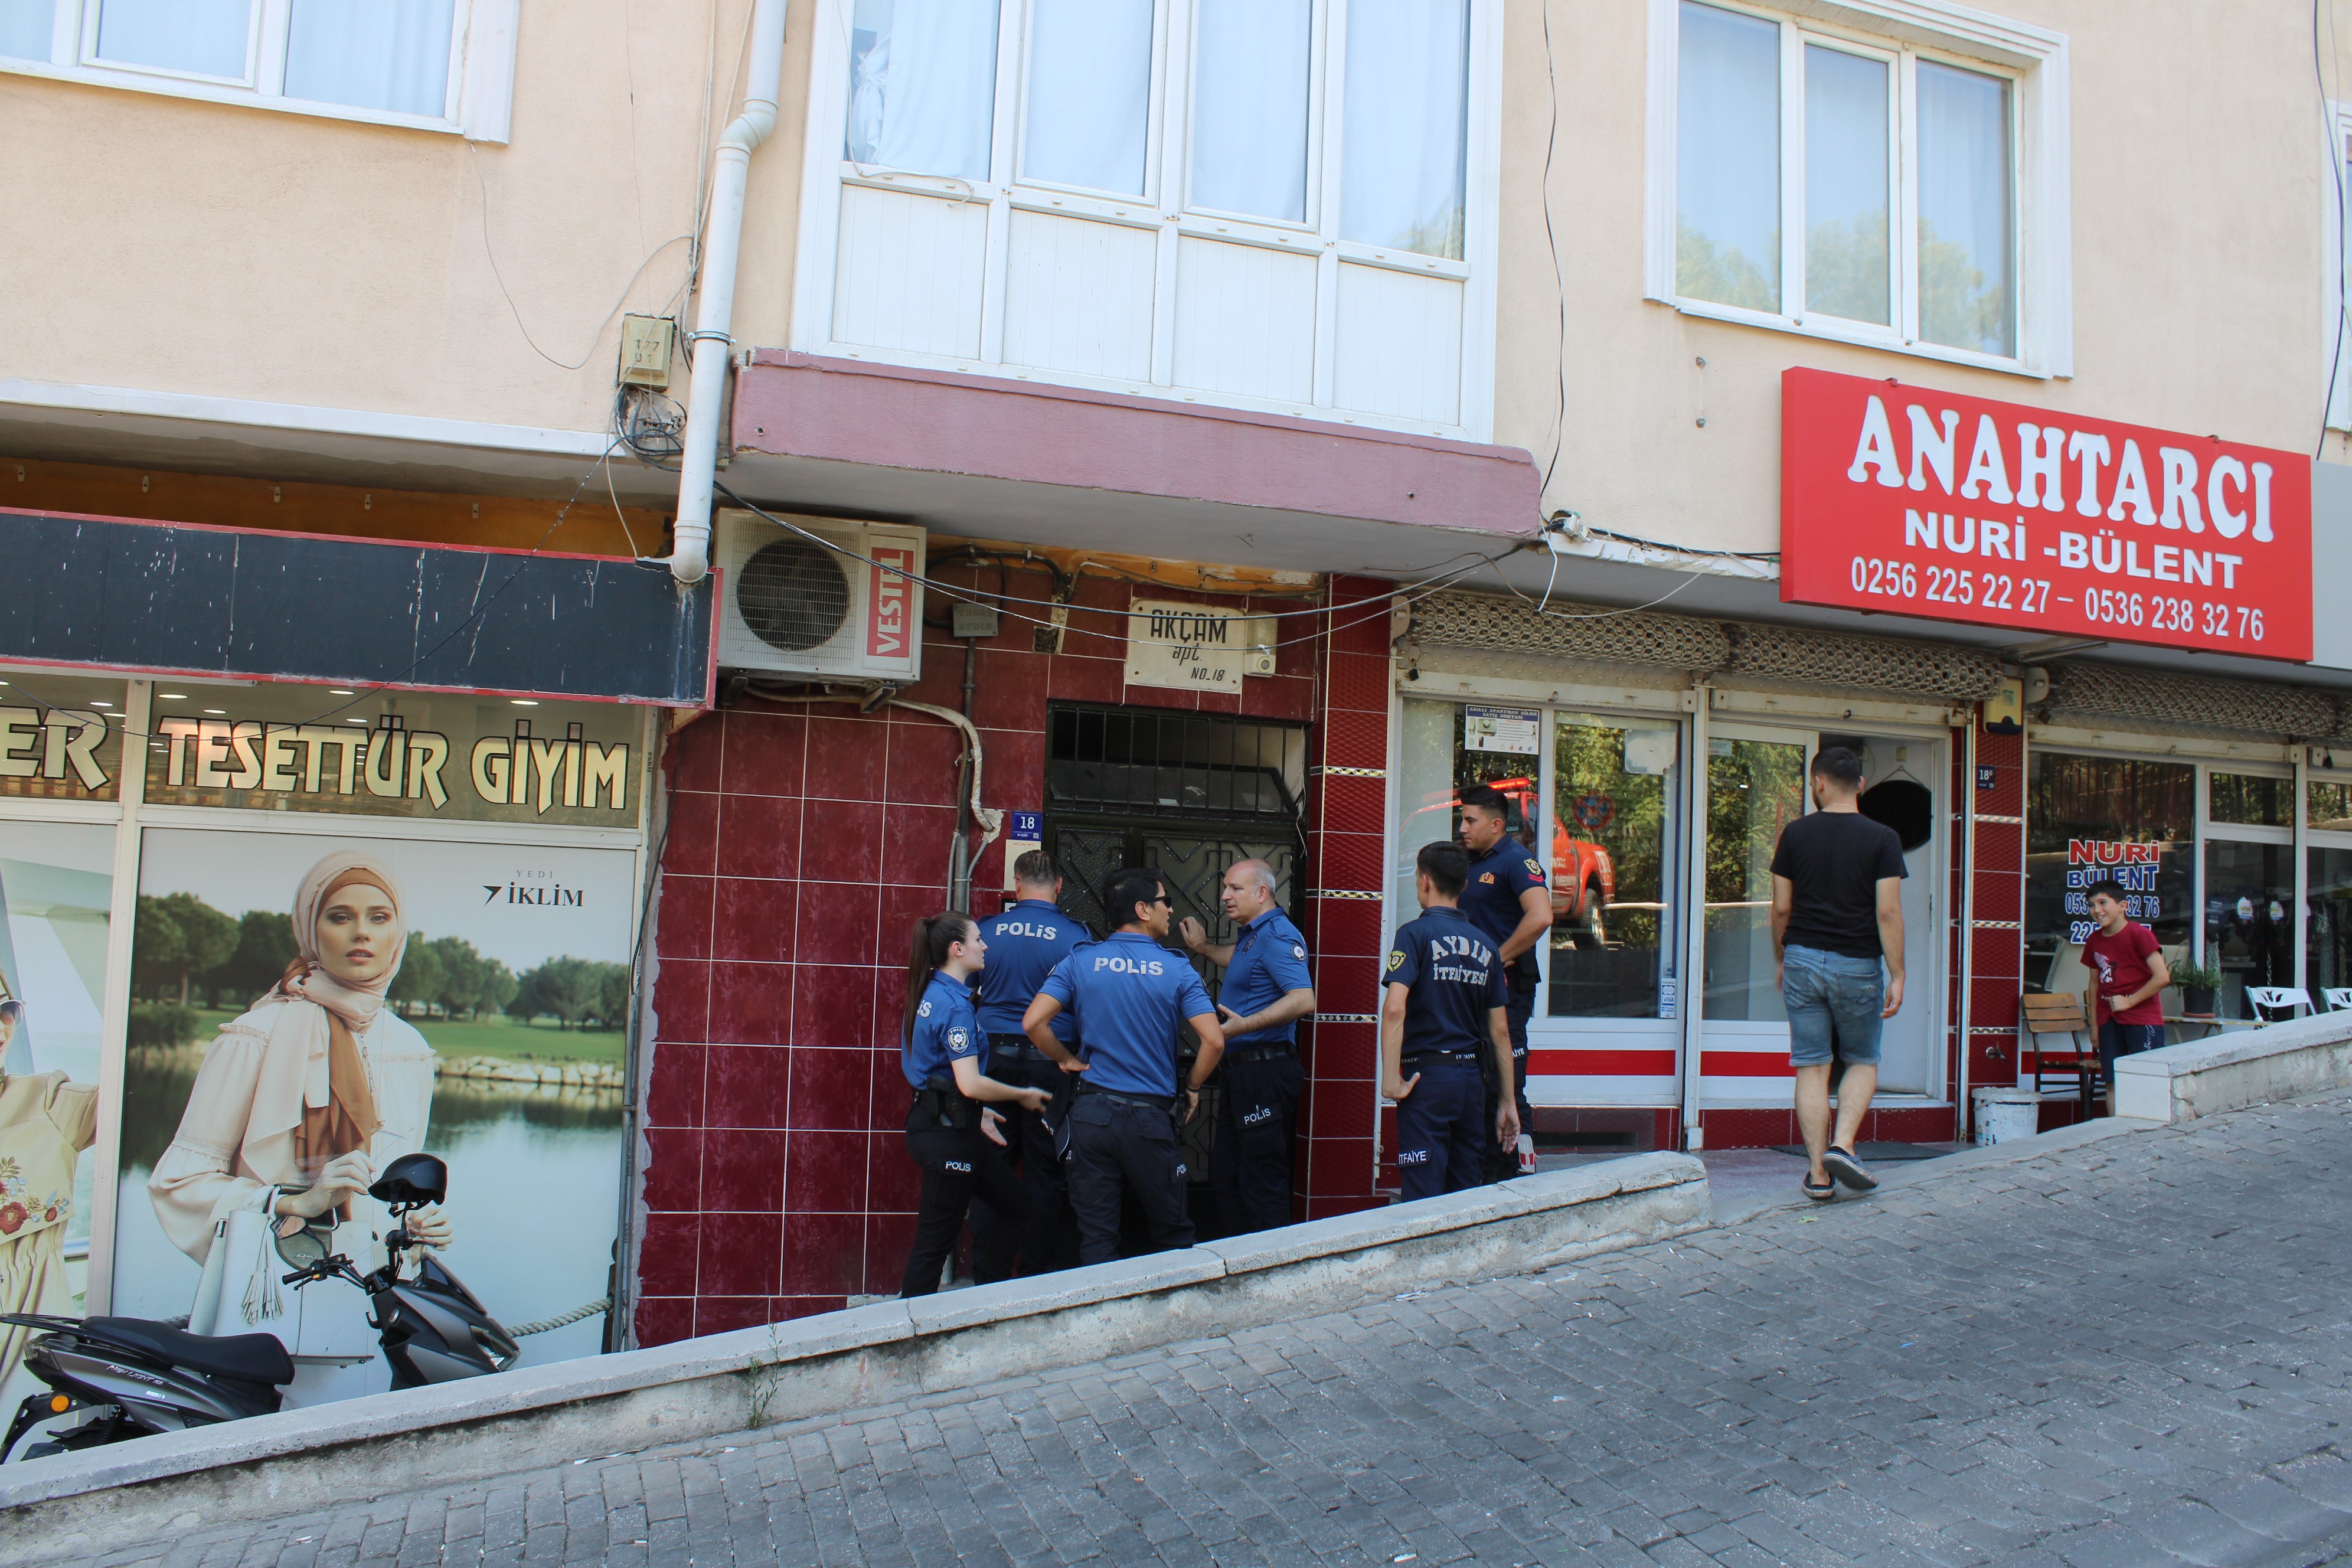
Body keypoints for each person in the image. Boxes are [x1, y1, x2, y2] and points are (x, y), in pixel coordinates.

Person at [150, 851, 450, 1267]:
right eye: (340, 917)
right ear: (311, 927)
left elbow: (383, 1190)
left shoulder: (409, 1049)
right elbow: (179, 1184)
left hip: (374, 1291)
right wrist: (296, 1203)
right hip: (270, 1280)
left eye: (379, 918)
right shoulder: (256, 1036)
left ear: (399, 931)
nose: (361, 933)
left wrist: (415, 1229)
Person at [1023, 868, 1225, 1265]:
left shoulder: (1081, 960)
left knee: (1098, 1238)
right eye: (1165, 901)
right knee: (1173, 1234)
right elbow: (1214, 1040)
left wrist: (1065, 1060)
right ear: (1143, 909)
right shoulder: (1177, 967)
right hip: (1151, 1118)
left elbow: (1032, 1023)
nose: (1171, 909)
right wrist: (1195, 1086)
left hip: (1092, 1116)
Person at [1769, 747, 1906, 1201]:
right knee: (1862, 1058)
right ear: (1862, 786)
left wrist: (1780, 959)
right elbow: (1887, 912)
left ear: (1818, 783)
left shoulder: (1795, 834)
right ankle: (1843, 1146)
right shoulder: (1883, 837)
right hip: (1857, 965)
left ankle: (1817, 1175)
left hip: (1804, 960)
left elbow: (1782, 907)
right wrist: (1898, 972)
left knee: (1811, 1066)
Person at [896, 912, 1050, 1298]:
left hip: (950, 1124)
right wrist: (1022, 1095)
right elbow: (969, 1082)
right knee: (934, 1244)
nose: (986, 946)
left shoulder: (934, 993)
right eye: (978, 939)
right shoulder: (954, 1006)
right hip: (943, 1135)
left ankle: (989, 1300)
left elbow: (943, 1076)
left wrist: (975, 1114)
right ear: (957, 949)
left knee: (1015, 1203)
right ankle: (905, 1336)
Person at [1178, 860, 1315, 1236]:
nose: (1225, 896)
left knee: (1261, 1183)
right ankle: (1244, 1265)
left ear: (1262, 893)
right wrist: (1202, 947)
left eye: (1235, 889)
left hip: (1264, 1073)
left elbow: (1304, 999)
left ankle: (1272, 1270)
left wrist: (1241, 1027)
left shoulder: (1278, 936)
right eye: (1225, 887)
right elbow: (1239, 959)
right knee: (1227, 1177)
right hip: (1243, 1074)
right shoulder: (1254, 936)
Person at [1381, 841, 1521, 1201]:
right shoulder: (1488, 946)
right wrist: (1508, 1102)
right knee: (1464, 1195)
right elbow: (1500, 1031)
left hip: (1425, 1079)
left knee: (1422, 1197)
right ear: (1465, 885)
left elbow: (1395, 1008)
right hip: (1471, 1084)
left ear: (1425, 882)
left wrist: (1391, 1079)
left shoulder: (1413, 935)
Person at [973, 852, 1087, 1273]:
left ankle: (988, 1273)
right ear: (1058, 886)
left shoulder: (986, 931)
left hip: (992, 1065)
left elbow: (964, 994)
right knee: (1045, 1174)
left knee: (991, 1171)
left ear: (1016, 884)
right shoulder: (1076, 937)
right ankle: (1036, 1273)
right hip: (1050, 1063)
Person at [1457, 784, 1546, 1174]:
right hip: (1470, 991)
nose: (1462, 827)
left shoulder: (1516, 860)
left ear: (1496, 824)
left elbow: (1541, 917)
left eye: (1469, 820)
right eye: (1462, 818)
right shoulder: (1470, 859)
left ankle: (1518, 1172)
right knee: (1476, 1080)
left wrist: (1497, 959)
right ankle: (1482, 1172)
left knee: (1505, 1081)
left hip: (1507, 991)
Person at [2082, 880, 2171, 1114]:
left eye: (2103, 903)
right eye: (2092, 905)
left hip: (2143, 1019)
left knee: (2146, 1077)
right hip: (2108, 1019)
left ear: (2122, 906)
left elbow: (2162, 977)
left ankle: (2149, 1130)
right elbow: (2094, 982)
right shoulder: (2094, 940)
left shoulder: (2140, 934)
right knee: (2112, 1080)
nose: (2097, 910)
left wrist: (2130, 1001)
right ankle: (2116, 1132)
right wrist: (2094, 1025)